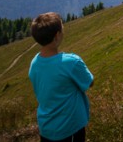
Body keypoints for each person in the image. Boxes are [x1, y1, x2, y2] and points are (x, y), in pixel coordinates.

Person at [28, 12, 94, 142]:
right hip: (71, 127)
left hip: (46, 128)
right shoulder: (71, 62)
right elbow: (89, 82)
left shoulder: (34, 63)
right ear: (57, 36)